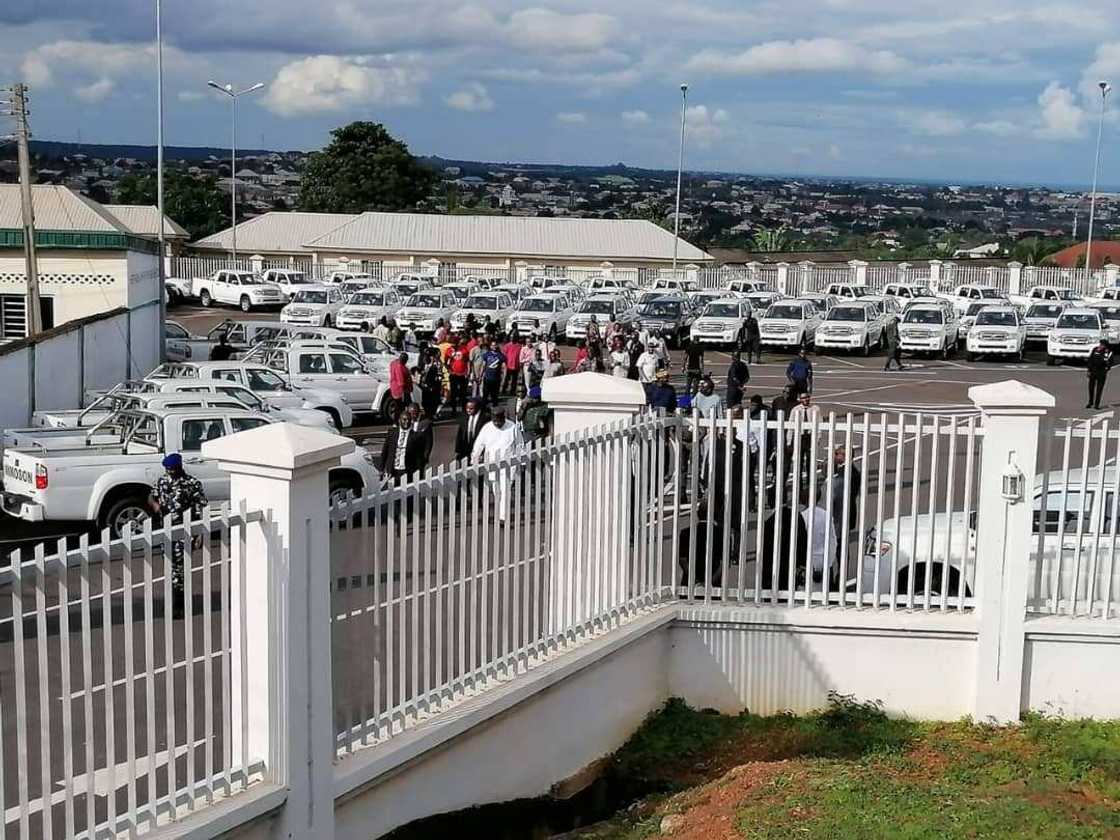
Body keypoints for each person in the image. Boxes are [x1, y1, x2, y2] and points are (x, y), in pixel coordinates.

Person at [148, 453, 207, 607]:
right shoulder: (162, 481)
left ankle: (179, 602)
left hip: (185, 530)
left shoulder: (192, 483)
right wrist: (156, 505)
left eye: (172, 469)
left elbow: (201, 507)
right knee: (170, 565)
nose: (170, 472)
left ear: (179, 467)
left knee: (180, 567)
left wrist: (200, 534)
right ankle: (175, 598)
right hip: (166, 530)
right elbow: (151, 496)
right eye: (168, 470)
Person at [471, 407, 524, 522]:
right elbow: (479, 444)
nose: (497, 424)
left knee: (506, 489)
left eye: (499, 421)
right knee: (496, 490)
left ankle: (502, 517)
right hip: (492, 464)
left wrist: (522, 461)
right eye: (495, 421)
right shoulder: (487, 428)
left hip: (509, 465)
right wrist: (475, 459)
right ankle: (501, 511)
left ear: (503, 418)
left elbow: (519, 444)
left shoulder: (512, 427)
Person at [829, 444, 862, 573]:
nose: (835, 456)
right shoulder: (846, 472)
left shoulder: (848, 474)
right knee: (839, 546)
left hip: (841, 515)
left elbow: (837, 495)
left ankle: (840, 574)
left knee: (839, 546)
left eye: (838, 454)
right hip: (843, 514)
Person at [379, 411, 428, 483]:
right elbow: (385, 452)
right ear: (399, 420)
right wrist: (381, 469)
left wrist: (420, 474)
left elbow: (419, 457)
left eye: (408, 420)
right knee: (393, 492)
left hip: (407, 472)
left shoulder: (416, 436)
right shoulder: (392, 433)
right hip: (392, 471)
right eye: (404, 419)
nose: (406, 422)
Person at [455, 397, 490, 462]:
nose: (468, 410)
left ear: (478, 408)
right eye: (467, 408)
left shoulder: (485, 419)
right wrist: (457, 450)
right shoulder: (464, 417)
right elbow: (460, 434)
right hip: (465, 448)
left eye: (471, 409)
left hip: (478, 448)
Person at [1087, 338, 1114, 410]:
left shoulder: (1108, 352)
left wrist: (1107, 368)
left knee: (1099, 389)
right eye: (1100, 344)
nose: (1101, 346)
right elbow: (1090, 359)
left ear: (1105, 346)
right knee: (1091, 387)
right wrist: (1089, 370)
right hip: (1093, 371)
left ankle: (1097, 404)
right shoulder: (1095, 349)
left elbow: (1110, 362)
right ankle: (1090, 402)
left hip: (1101, 372)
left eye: (1102, 345)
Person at [407, 404, 435, 468]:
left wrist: (426, 455)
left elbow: (429, 442)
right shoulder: (406, 422)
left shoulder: (425, 423)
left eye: (414, 413)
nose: (412, 416)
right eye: (410, 413)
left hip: (419, 456)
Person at [420, 349, 444, 420]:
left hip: (433, 387)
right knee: (425, 402)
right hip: (425, 387)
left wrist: (437, 383)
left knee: (433, 402)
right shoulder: (424, 363)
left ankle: (432, 415)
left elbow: (439, 376)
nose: (426, 358)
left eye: (429, 356)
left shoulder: (437, 364)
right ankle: (427, 414)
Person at [448, 339, 471, 412]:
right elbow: (446, 362)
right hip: (453, 375)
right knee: (453, 393)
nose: (453, 345)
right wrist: (449, 370)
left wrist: (468, 371)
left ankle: (464, 408)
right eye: (451, 343)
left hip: (462, 374)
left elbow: (468, 361)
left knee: (463, 393)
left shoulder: (464, 349)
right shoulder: (449, 350)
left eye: (454, 343)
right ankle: (453, 409)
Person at [388, 352, 413, 419]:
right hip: (401, 390)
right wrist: (404, 390)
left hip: (394, 388)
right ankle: (401, 420)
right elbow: (401, 380)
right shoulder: (400, 367)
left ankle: (398, 421)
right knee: (402, 406)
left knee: (398, 406)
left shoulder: (394, 363)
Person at [481, 341, 506, 407]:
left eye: (495, 345)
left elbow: (504, 368)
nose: (494, 347)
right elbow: (483, 366)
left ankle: (495, 411)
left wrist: (503, 379)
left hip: (496, 379)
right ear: (490, 346)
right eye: (492, 345)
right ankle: (483, 410)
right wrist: (480, 376)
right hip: (487, 378)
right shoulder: (487, 354)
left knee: (494, 396)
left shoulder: (501, 356)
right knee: (485, 396)